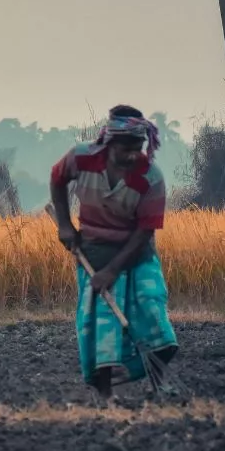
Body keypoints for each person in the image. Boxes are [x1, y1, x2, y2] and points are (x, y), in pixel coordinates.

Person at [48, 105, 179, 400]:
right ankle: (105, 395)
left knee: (152, 310)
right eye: (126, 149)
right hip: (93, 249)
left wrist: (113, 271)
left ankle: (160, 384)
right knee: (101, 322)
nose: (134, 155)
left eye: (139, 147)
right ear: (109, 144)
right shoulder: (81, 157)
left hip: (136, 252)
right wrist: (65, 225)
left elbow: (145, 231)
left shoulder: (151, 177)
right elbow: (57, 179)